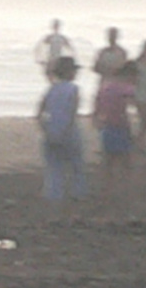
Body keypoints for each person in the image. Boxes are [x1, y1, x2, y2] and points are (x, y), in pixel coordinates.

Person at [36, 55, 86, 216]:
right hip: (68, 132)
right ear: (70, 72)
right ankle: (76, 198)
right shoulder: (73, 89)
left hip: (51, 132)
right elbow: (72, 112)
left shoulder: (51, 89)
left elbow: (39, 112)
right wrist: (67, 129)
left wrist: (45, 128)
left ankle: (53, 200)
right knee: (76, 167)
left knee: (54, 168)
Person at [93, 59, 139, 220]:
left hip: (107, 128)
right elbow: (130, 111)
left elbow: (97, 106)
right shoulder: (127, 89)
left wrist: (97, 120)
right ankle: (125, 208)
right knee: (126, 169)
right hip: (121, 128)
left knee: (108, 168)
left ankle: (106, 204)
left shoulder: (106, 86)